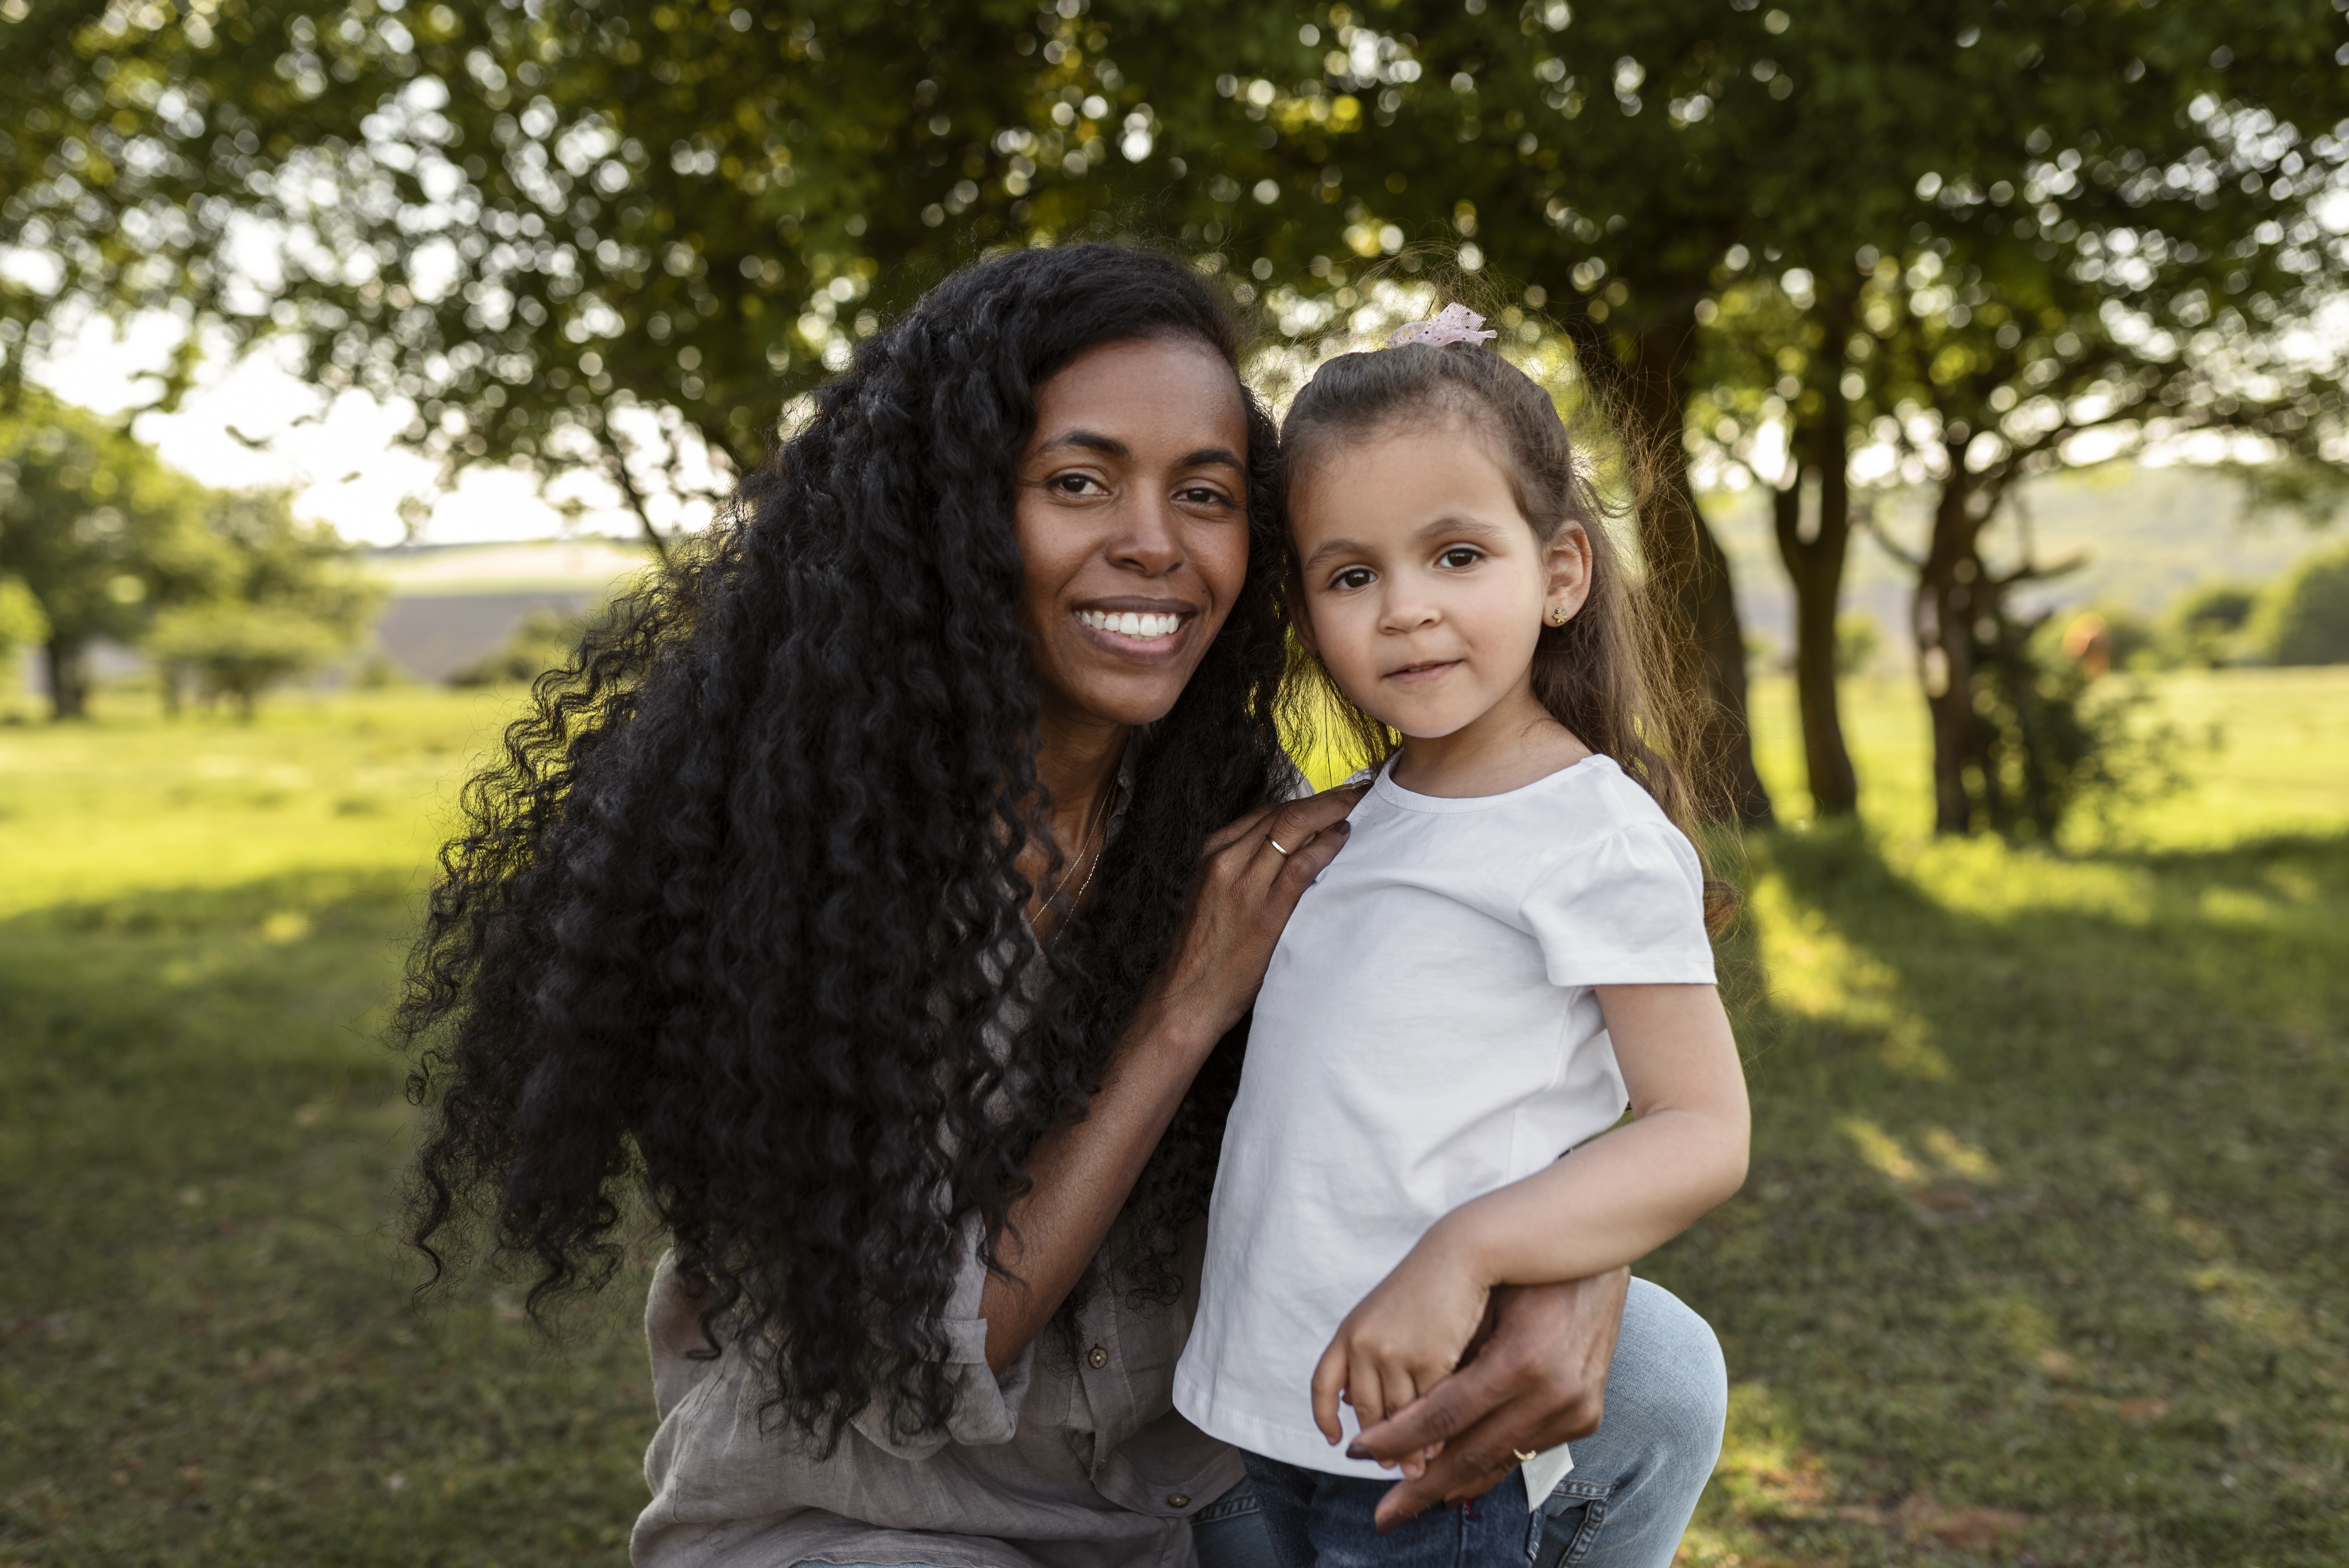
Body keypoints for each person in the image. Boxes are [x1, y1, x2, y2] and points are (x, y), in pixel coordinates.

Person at [390, 248, 1727, 1568]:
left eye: (1204, 494)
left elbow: (1490, 1082)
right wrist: (1183, 1008)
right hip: (874, 1516)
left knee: (1657, 1369)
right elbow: (934, 1347)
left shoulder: (1234, 805)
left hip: (1187, 1486)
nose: (1152, 543)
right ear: (955, 514)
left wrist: (1563, 1270)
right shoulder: (796, 870)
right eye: (1077, 482)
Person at [1174, 308, 1750, 1568]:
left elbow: (1700, 1130)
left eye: (1454, 556)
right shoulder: (1359, 818)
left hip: (1427, 1434)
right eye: (1351, 575)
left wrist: (1469, 1250)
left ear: (1557, 573)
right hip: (1257, 1416)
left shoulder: (1588, 835)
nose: (1404, 612)